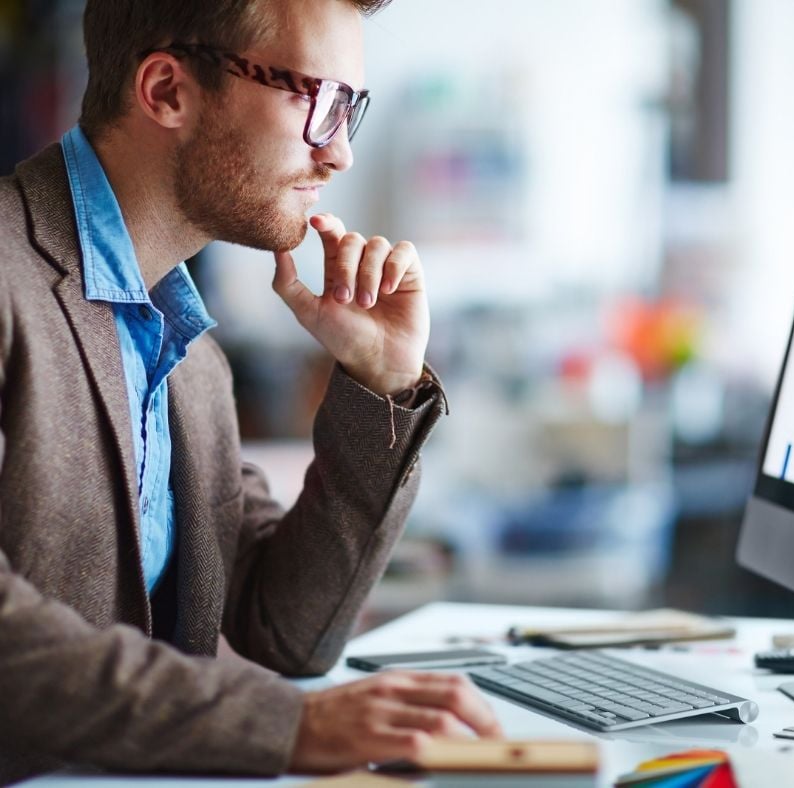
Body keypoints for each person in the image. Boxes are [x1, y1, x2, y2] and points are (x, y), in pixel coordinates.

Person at [0, 0, 502, 781]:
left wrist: (382, 379)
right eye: (319, 101)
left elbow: (286, 633)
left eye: (351, 111)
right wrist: (284, 725)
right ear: (168, 90)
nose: (340, 155)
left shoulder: (186, 352)